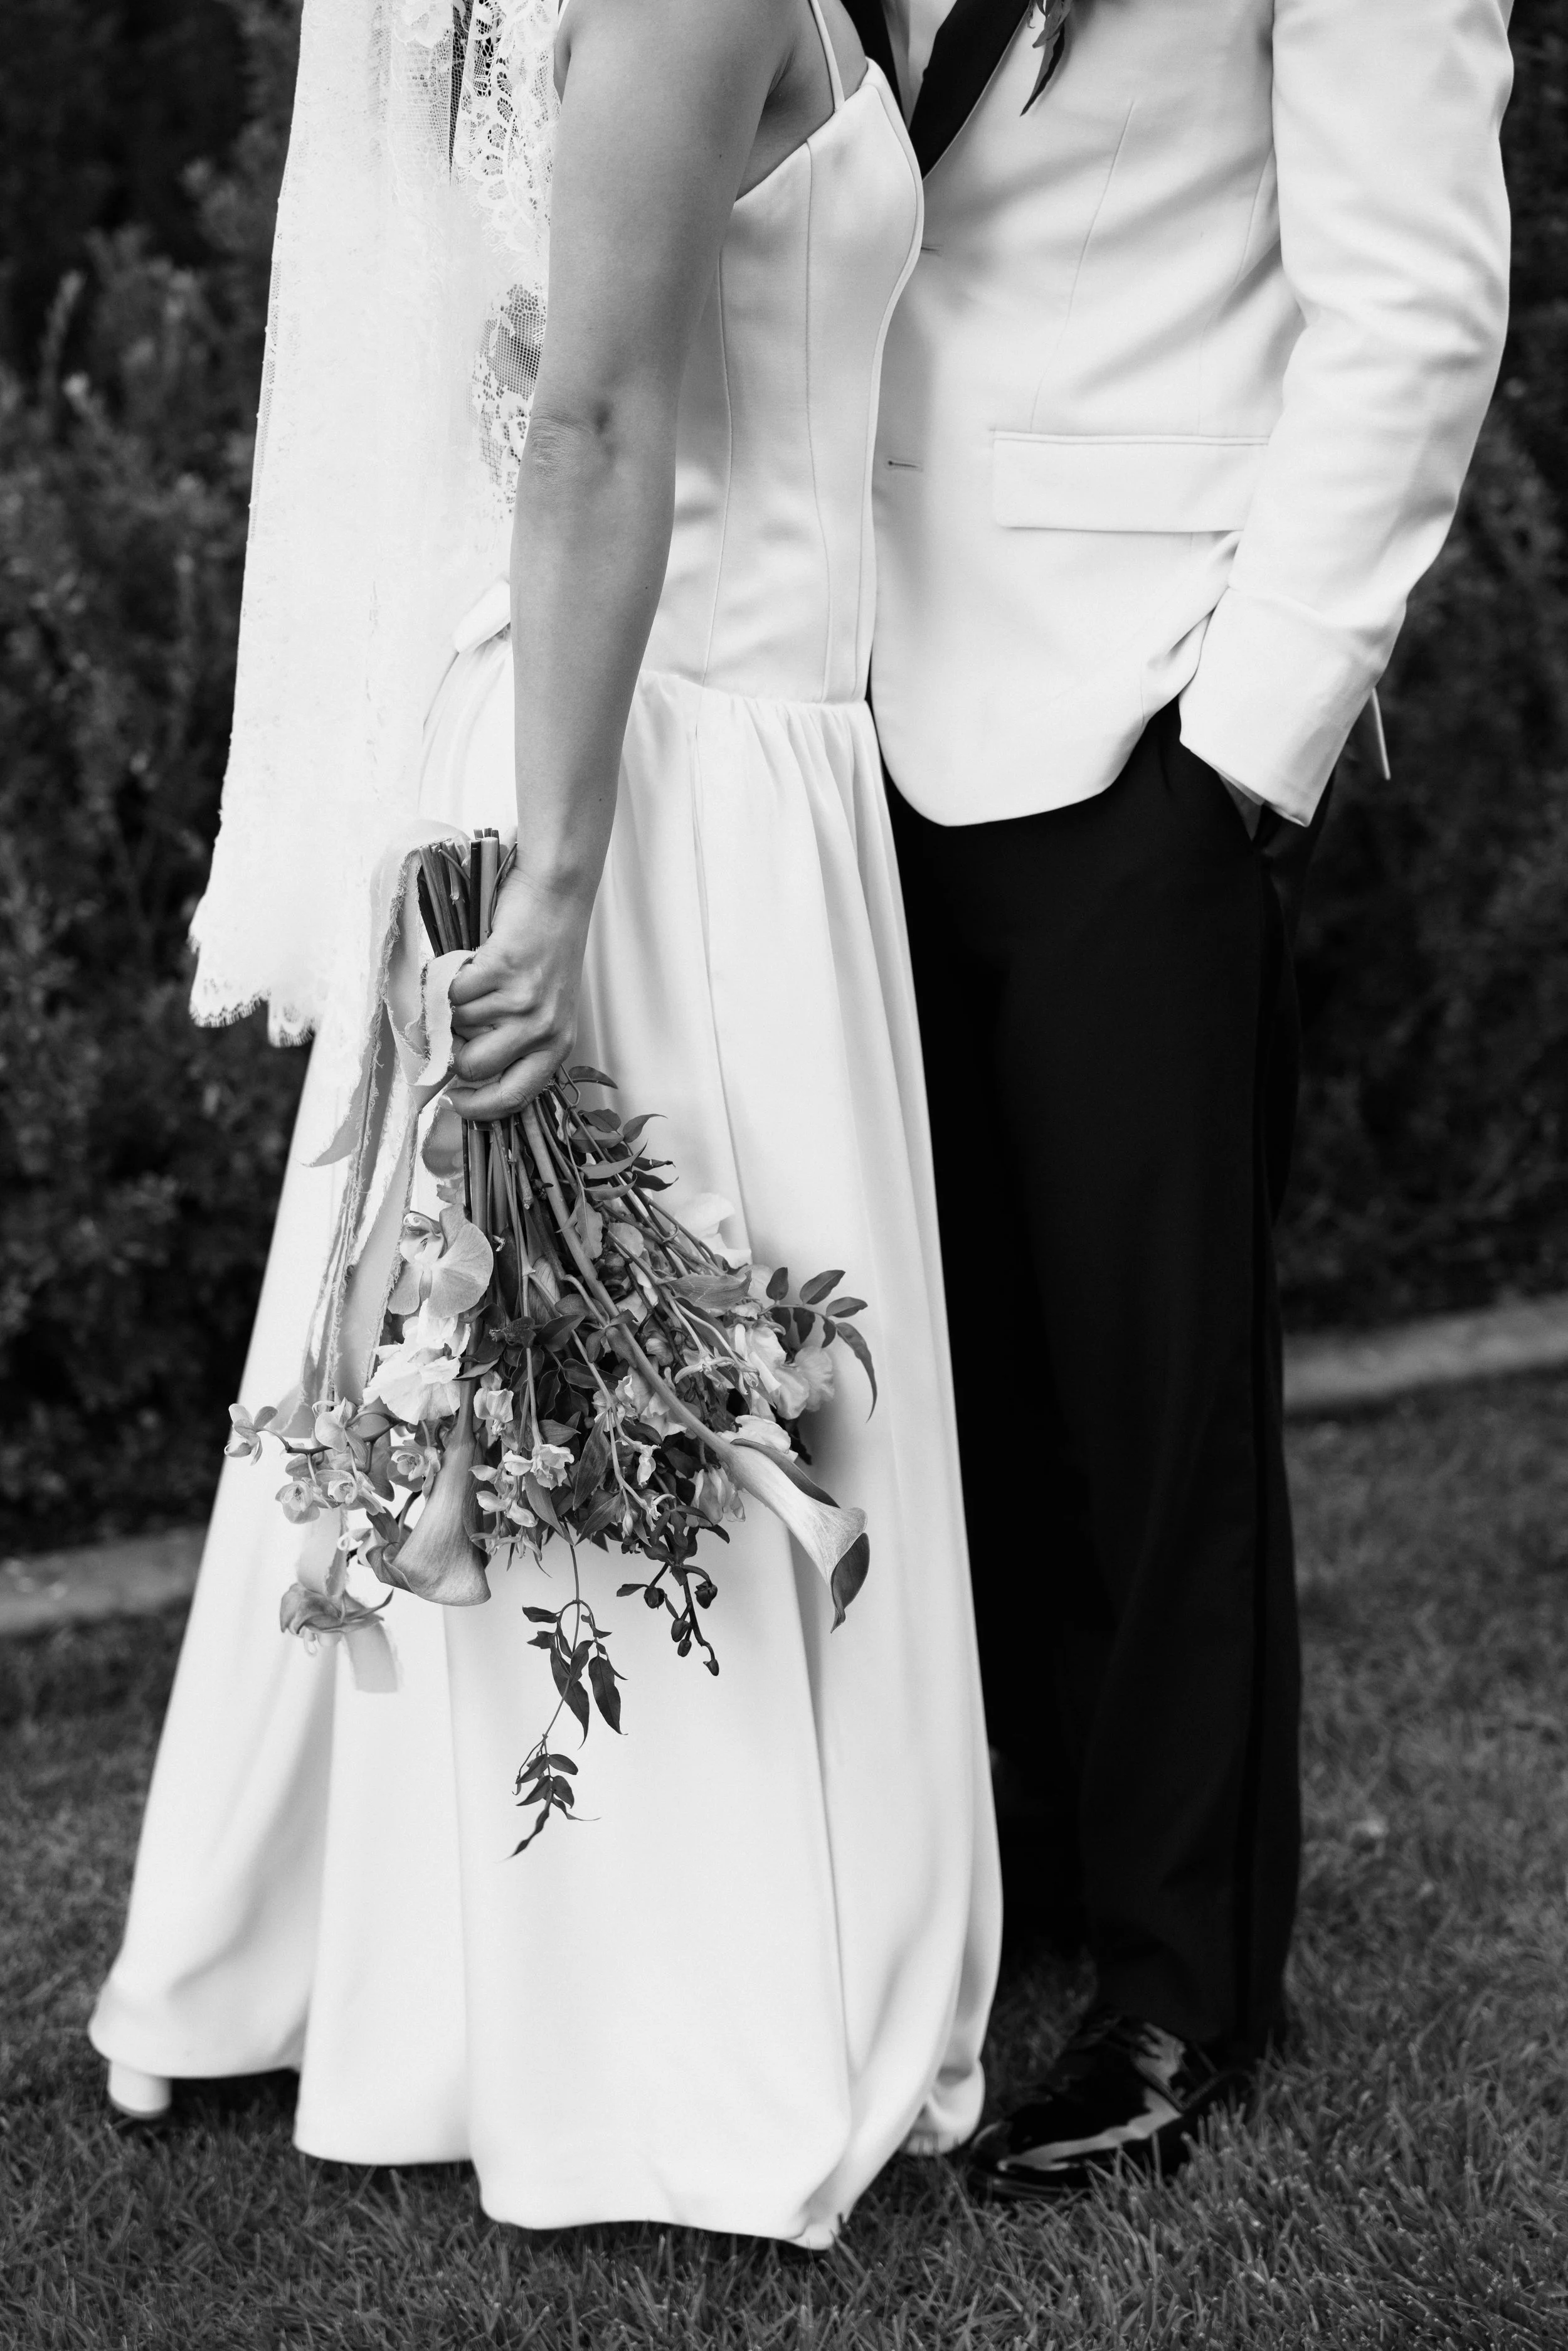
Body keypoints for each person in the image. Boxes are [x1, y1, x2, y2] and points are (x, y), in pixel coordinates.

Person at [89, 0, 1000, 2247]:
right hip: (664, 770)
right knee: (590, 1342)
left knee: (520, 1346)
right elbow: (586, 423)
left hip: (722, 735)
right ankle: (646, 2017)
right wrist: (568, 870)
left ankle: (385, 1965)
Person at [838, 0, 1513, 2197]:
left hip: (1144, 702)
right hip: (823, 691)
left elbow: (1410, 285)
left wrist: (1247, 737)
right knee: (929, 1374)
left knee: (1152, 1394)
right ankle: (988, 1876)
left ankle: (1176, 1983)